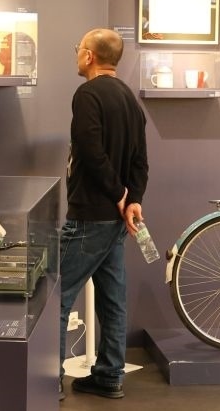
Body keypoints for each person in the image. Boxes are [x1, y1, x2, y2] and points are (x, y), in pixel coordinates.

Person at [60, 28, 149, 401]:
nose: (77, 54)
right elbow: (140, 160)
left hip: (90, 216)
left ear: (89, 56)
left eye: (78, 48)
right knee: (113, 300)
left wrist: (119, 195)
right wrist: (133, 199)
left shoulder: (88, 95)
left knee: (57, 296)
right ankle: (110, 375)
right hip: (114, 220)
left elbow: (90, 151)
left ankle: (46, 379)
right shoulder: (130, 99)